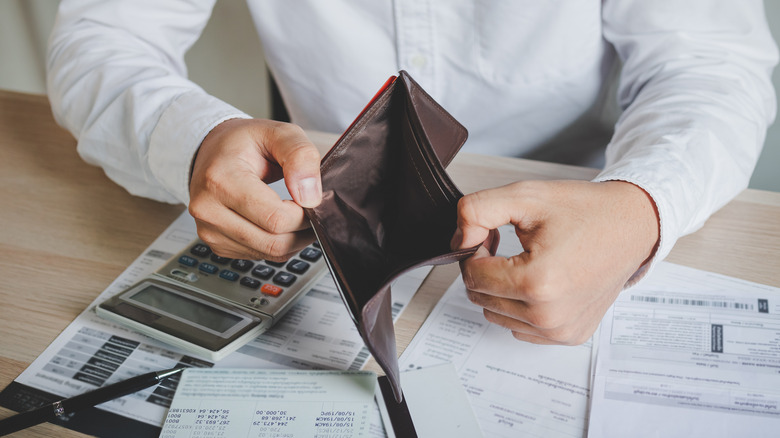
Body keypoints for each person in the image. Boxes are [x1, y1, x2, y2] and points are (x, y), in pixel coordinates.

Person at [47, 1, 777, 346]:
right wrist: (195, 140)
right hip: (323, 237)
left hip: (575, 237)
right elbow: (103, 34)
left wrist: (641, 206)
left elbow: (714, 64)